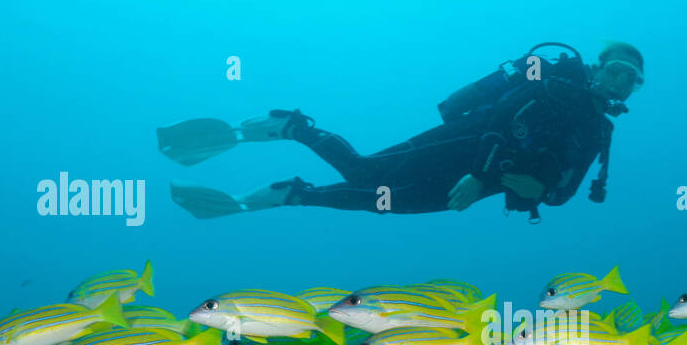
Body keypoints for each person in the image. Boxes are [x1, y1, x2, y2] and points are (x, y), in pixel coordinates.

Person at [157, 42, 642, 223]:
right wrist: (478, 174)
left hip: (486, 183)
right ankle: (295, 127)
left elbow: (565, 194)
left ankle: (294, 194)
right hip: (466, 148)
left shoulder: (599, 132)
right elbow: (499, 122)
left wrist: (536, 189)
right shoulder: (555, 87)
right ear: (598, 67)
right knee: (365, 170)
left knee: (386, 203)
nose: (621, 82)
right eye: (617, 69)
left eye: (632, 80)